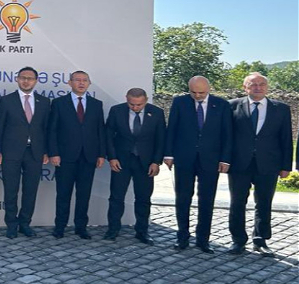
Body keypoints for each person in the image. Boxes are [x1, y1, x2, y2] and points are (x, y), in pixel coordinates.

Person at [227, 73, 293, 256]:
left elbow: (286, 138)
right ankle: (238, 240)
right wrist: (224, 160)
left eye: (262, 84)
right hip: (239, 163)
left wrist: (286, 166)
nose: (258, 87)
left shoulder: (281, 109)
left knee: (264, 203)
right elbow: (226, 136)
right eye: (253, 84)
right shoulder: (232, 106)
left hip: (268, 163)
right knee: (237, 202)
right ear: (245, 87)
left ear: (267, 87)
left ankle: (260, 240)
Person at [164, 75, 232, 254]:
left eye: (201, 92)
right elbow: (172, 128)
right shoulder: (180, 102)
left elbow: (227, 133)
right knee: (182, 198)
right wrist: (168, 154)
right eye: (193, 92)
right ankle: (182, 237)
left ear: (208, 89)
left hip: (210, 159)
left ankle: (203, 240)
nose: (197, 96)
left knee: (207, 200)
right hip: (184, 158)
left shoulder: (221, 105)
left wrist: (225, 159)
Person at [47, 70, 106, 239]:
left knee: (84, 194)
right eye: (77, 80)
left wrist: (101, 154)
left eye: (84, 80)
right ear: (70, 83)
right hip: (65, 156)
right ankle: (60, 226)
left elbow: (100, 130)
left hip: (88, 156)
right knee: (63, 193)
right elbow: (52, 130)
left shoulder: (96, 104)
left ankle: (81, 227)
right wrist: (53, 153)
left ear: (89, 83)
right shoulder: (59, 103)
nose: (81, 83)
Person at [104, 88, 165, 245]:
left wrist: (156, 162)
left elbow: (161, 139)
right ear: (126, 99)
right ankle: (113, 230)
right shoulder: (116, 111)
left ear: (146, 100)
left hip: (145, 163)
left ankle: (142, 231)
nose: (135, 107)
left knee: (143, 198)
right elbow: (108, 136)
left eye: (139, 104)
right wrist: (112, 157)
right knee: (116, 197)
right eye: (132, 104)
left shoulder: (156, 113)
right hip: (122, 161)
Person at [0, 66, 51, 238]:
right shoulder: (6, 101)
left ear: (36, 81)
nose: (26, 81)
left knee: (30, 190)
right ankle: (11, 224)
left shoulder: (44, 102)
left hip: (35, 152)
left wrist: (46, 151)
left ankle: (25, 223)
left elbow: (47, 129)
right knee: (10, 190)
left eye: (30, 78)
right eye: (23, 77)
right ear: (17, 79)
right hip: (10, 152)